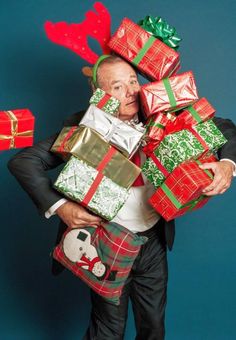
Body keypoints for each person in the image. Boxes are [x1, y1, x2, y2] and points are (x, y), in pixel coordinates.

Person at [8, 55, 236, 340]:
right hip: (107, 242)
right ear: (98, 94)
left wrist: (228, 164)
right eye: (118, 86)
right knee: (108, 330)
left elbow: (225, 128)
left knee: (153, 326)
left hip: (152, 241)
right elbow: (24, 161)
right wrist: (61, 207)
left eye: (133, 81)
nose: (131, 91)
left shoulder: (162, 114)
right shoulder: (84, 129)